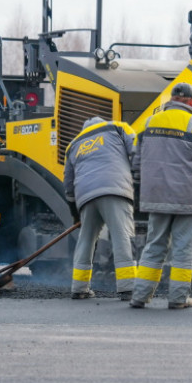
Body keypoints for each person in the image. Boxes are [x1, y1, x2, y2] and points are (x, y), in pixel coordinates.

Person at [130, 82, 192, 310]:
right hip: (189, 199)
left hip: (156, 197)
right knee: (182, 249)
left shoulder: (147, 123)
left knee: (154, 245)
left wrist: (138, 191)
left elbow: (136, 163)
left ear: (172, 100)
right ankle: (178, 298)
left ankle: (140, 296)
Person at [64, 116, 138, 301]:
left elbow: (68, 183)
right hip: (114, 188)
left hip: (85, 196)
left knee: (86, 239)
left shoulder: (73, 144)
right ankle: (128, 287)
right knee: (121, 236)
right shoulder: (118, 128)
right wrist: (138, 179)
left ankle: (79, 288)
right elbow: (137, 151)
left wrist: (75, 213)